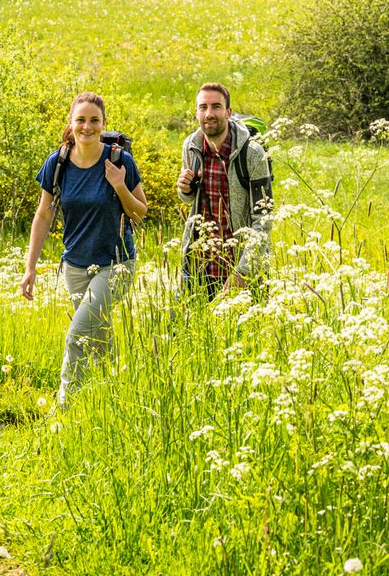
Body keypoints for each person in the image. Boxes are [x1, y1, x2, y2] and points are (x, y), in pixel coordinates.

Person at [22, 92, 148, 402]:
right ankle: (114, 398)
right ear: (71, 122)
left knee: (77, 335)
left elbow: (140, 212)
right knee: (98, 337)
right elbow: (43, 215)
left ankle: (64, 410)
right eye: (81, 120)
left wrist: (119, 185)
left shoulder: (120, 161)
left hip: (115, 264)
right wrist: (30, 268)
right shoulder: (58, 162)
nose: (87, 126)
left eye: (94, 120)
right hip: (76, 267)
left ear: (104, 123)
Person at [176, 82, 273, 297]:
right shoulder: (191, 145)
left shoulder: (252, 153)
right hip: (201, 265)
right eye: (203, 107)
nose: (209, 114)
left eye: (216, 107)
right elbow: (190, 199)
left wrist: (243, 271)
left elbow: (264, 218)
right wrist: (185, 189)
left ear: (228, 112)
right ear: (196, 113)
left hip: (242, 266)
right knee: (178, 318)